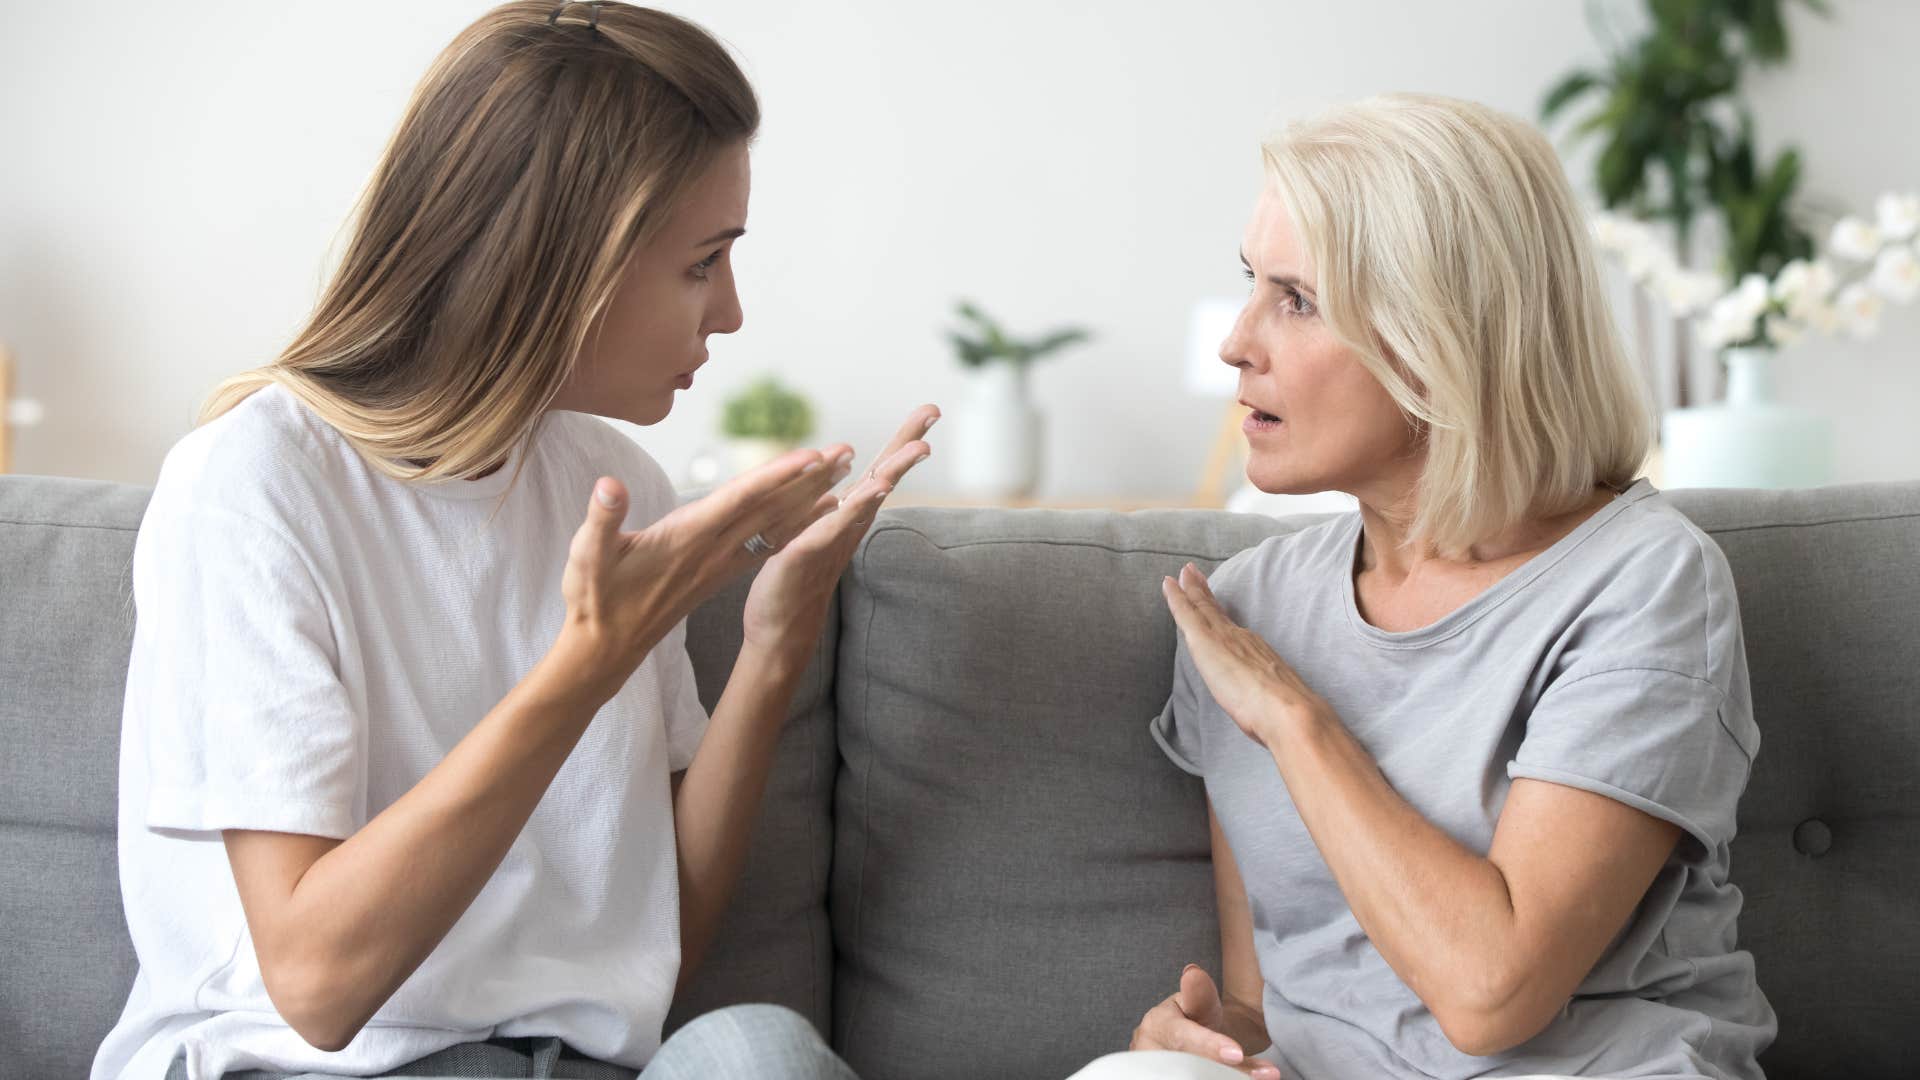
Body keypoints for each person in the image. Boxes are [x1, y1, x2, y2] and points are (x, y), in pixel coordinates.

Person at [91, 3, 934, 1077]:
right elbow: (316, 987)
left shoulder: (612, 482)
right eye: (702, 262)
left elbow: (647, 951)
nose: (728, 314)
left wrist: (774, 644)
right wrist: (584, 666)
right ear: (559, 260)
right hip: (303, 1065)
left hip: (566, 1063)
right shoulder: (256, 483)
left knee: (759, 1052)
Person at [1128, 94, 1775, 1080]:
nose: (1236, 341)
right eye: (1250, 283)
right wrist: (1201, 1045)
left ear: (1440, 339)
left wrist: (1294, 719)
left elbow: (1492, 994)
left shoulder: (1642, 583)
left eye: (1296, 299)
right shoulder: (1245, 612)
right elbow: (1268, 1000)